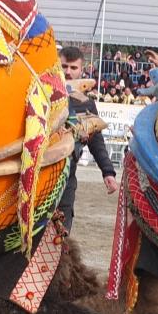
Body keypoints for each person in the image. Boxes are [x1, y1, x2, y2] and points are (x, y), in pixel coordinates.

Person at [57, 47, 117, 233]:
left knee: (60, 235)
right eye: (64, 66)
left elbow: (95, 141)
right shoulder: (41, 95)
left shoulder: (86, 104)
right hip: (38, 177)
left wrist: (108, 172)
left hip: (67, 178)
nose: (68, 72)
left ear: (82, 70)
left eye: (73, 67)